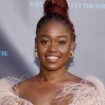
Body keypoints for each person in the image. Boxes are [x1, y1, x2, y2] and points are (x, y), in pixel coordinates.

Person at [0, 0, 105, 105]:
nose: (52, 49)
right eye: (45, 41)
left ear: (72, 46)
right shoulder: (15, 93)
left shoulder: (90, 93)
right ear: (36, 44)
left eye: (61, 42)